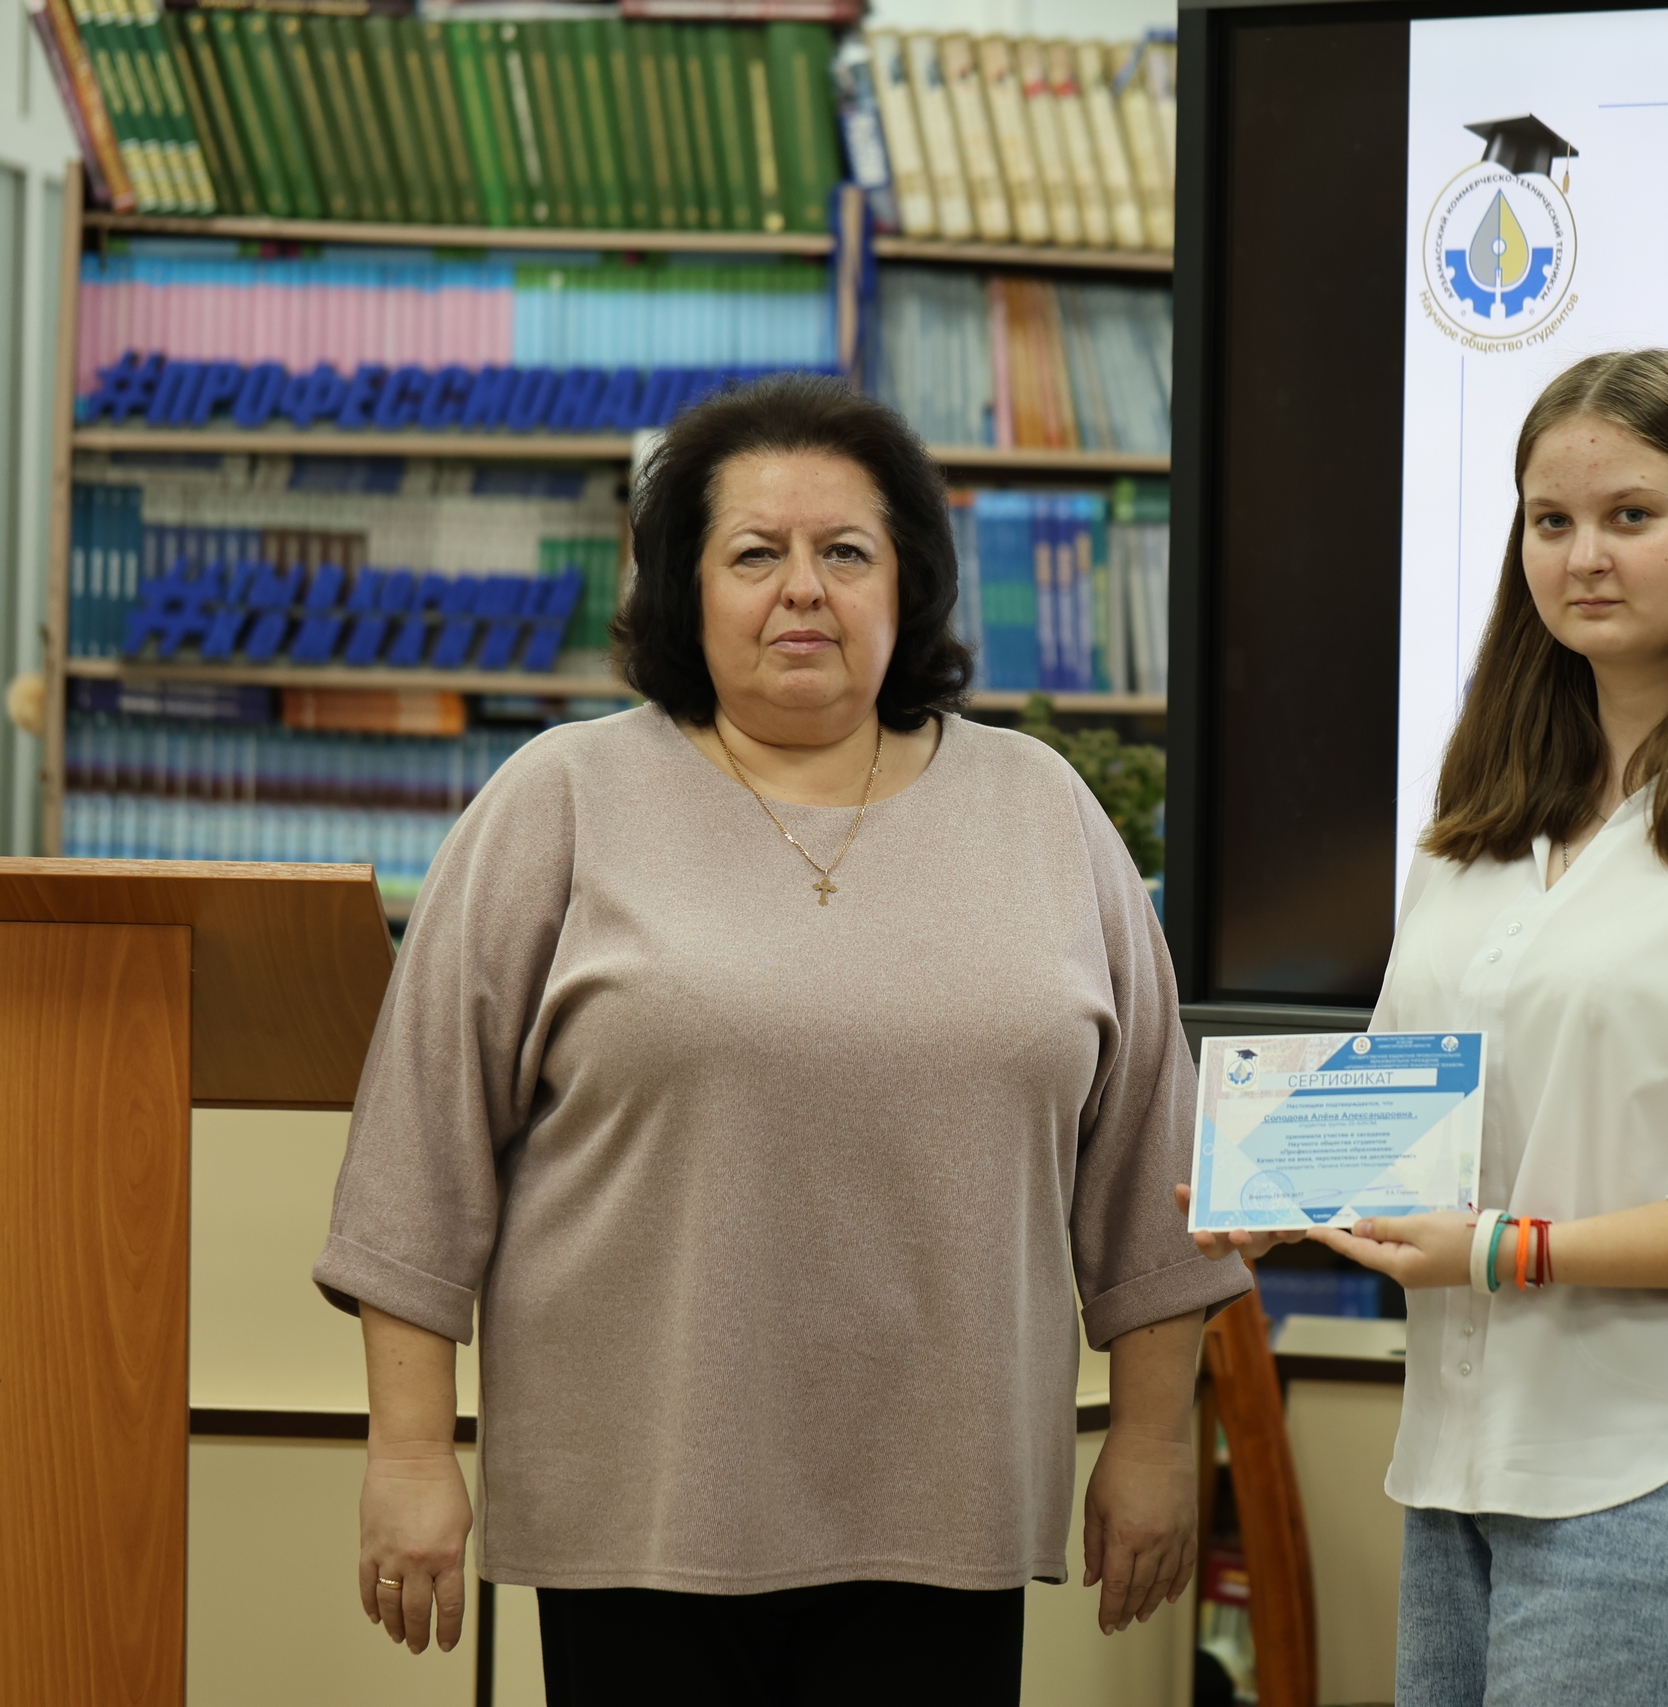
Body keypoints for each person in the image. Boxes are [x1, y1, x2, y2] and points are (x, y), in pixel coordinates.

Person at [316, 373, 1248, 1706]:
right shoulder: (562, 799)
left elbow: (1153, 1152)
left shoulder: (1041, 805)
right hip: (640, 1517)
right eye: (755, 553)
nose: (802, 589)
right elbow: (420, 1145)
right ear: (685, 591)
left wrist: (1152, 1441)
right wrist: (411, 1456)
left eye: (846, 553)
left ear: (908, 584)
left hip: (949, 1513)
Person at [1197, 348, 1668, 1705]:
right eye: (1551, 520)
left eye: (1630, 515)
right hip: (1462, 1467)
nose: (1584, 555)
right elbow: (1421, 1095)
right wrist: (1277, 1186)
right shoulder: (1479, 823)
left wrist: (1507, 1252)